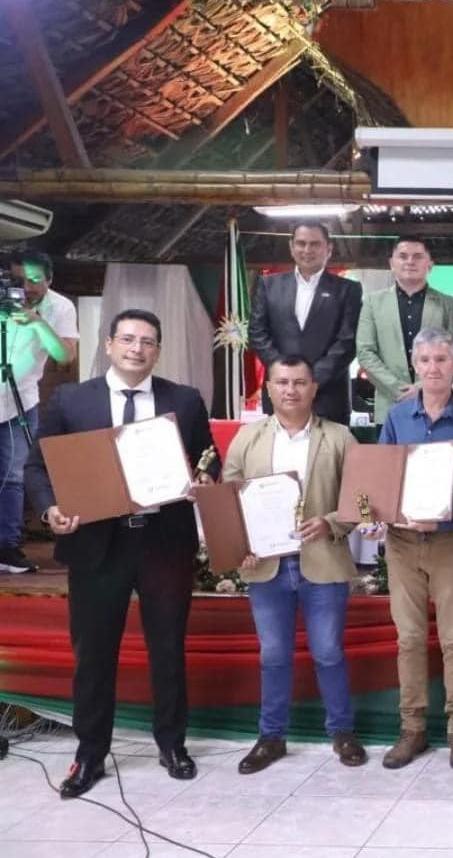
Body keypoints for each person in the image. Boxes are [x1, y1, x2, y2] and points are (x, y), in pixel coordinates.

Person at [25, 309, 217, 797]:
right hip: (96, 543)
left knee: (168, 647)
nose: (137, 349)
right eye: (128, 339)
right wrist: (51, 509)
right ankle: (90, 753)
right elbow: (38, 468)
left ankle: (172, 744)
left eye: (148, 341)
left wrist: (203, 479)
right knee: (93, 653)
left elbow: (208, 459)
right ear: (109, 344)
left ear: (158, 351)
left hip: (163, 541)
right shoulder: (72, 400)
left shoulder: (184, 400)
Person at [223, 355, 365, 774]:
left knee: (328, 652)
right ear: (269, 388)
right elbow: (228, 499)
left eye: (299, 382)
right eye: (282, 382)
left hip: (322, 562)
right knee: (273, 654)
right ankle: (271, 736)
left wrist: (331, 522)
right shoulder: (248, 438)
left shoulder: (339, 437)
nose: (291, 390)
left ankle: (342, 732)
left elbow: (361, 499)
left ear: (313, 388)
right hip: (266, 565)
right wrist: (240, 544)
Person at [369, 329, 453, 770]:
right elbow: (383, 475)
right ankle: (412, 728)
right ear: (414, 366)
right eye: (425, 360)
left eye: (441, 359)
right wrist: (383, 514)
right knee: (410, 639)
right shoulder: (398, 417)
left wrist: (448, 513)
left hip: (451, 539)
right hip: (402, 542)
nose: (433, 368)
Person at [2, 250, 78, 573]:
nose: (26, 288)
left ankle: (6, 546)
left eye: (34, 281)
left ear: (49, 279)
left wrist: (37, 323)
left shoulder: (61, 307)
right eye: (19, 280)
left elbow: (65, 355)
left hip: (21, 398)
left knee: (14, 475)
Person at [248, 221, 364, 425]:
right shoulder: (269, 285)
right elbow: (257, 333)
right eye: (301, 243)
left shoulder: (348, 289)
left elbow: (348, 340)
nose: (307, 250)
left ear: (328, 249)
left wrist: (310, 380)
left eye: (315, 244)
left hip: (329, 398)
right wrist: (286, 378)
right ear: (291, 247)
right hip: (280, 397)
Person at [356, 235, 453, 425]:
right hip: (389, 404)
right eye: (403, 256)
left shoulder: (447, 304)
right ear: (392, 263)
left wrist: (421, 387)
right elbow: (365, 352)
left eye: (418, 256)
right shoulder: (372, 302)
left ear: (430, 265)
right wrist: (399, 389)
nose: (410, 261)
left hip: (437, 405)